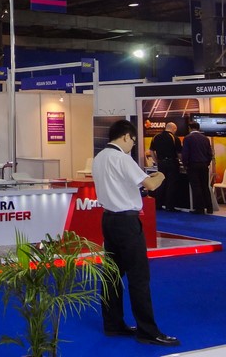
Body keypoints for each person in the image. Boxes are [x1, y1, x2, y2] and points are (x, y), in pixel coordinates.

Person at [91, 119, 179, 347]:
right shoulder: (122, 158)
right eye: (132, 140)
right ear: (125, 137)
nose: (132, 145)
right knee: (139, 277)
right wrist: (161, 175)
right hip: (127, 223)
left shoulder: (99, 158)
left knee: (112, 275)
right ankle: (147, 331)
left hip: (108, 219)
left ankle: (113, 324)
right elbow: (151, 185)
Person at [182, 121, 214, 214]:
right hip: (204, 165)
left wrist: (185, 165)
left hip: (193, 165)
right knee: (205, 186)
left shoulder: (187, 138)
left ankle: (199, 209)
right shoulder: (205, 138)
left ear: (189, 128)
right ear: (198, 128)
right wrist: (206, 163)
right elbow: (210, 154)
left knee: (196, 187)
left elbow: (185, 153)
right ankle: (209, 208)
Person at [149, 122, 181, 211]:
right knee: (171, 184)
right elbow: (179, 153)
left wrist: (157, 161)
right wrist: (182, 161)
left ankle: (158, 205)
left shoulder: (156, 137)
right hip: (172, 163)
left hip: (161, 163)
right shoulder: (174, 138)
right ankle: (169, 206)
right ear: (174, 129)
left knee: (161, 183)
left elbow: (151, 151)